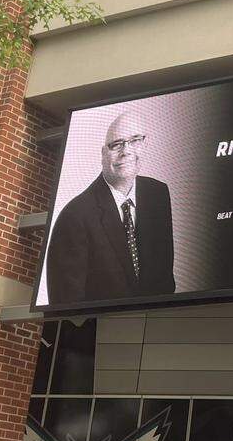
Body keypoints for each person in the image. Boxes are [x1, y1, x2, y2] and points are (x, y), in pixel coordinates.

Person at [45, 109, 175, 305]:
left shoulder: (157, 194)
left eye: (134, 141)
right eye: (116, 145)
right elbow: (66, 305)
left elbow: (164, 280)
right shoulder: (75, 216)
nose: (126, 151)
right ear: (103, 153)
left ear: (145, 144)